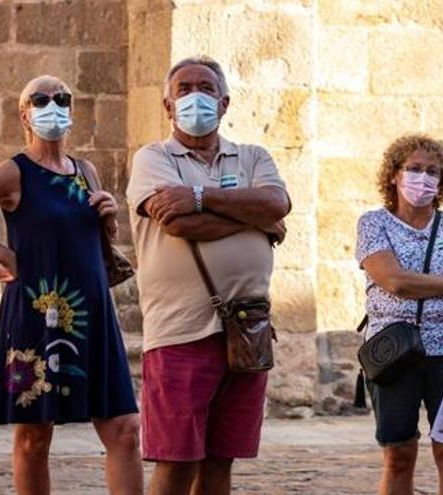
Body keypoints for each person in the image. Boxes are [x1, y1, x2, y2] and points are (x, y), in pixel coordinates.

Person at [0, 75, 141, 495]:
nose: (53, 105)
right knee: (33, 437)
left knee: (125, 430)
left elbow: (96, 242)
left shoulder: (86, 171)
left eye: (62, 97)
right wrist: (4, 256)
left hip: (92, 312)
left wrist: (111, 219)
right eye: (41, 98)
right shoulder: (14, 171)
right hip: (35, 312)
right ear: (24, 113)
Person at [126, 56, 290, 495]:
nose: (195, 96)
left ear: (224, 102)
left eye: (205, 87)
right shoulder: (153, 159)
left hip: (247, 329)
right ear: (167, 105)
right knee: (177, 463)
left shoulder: (254, 156)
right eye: (183, 89)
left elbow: (276, 204)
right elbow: (179, 225)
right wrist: (252, 217)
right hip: (181, 332)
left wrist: (196, 196)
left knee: (221, 460)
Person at [356, 133, 443, 495]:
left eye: (433, 171)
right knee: (398, 454)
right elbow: (395, 281)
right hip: (392, 352)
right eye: (414, 169)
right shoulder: (373, 223)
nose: (423, 178)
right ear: (394, 175)